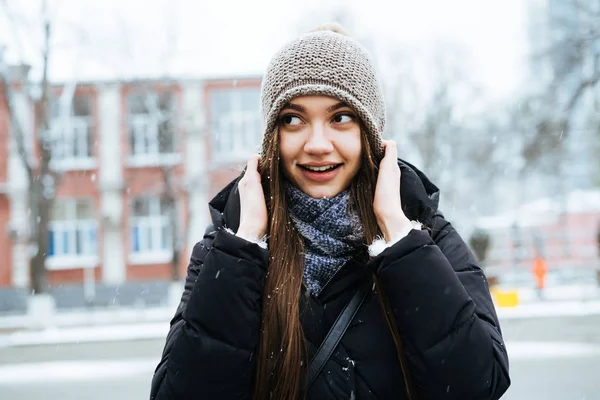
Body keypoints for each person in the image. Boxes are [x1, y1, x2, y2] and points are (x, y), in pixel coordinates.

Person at [150, 24, 510, 400]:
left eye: (340, 117)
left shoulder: (425, 235)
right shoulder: (226, 247)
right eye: (293, 119)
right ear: (272, 136)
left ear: (369, 135)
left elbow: (478, 385)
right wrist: (244, 248)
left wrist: (400, 240)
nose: (317, 144)